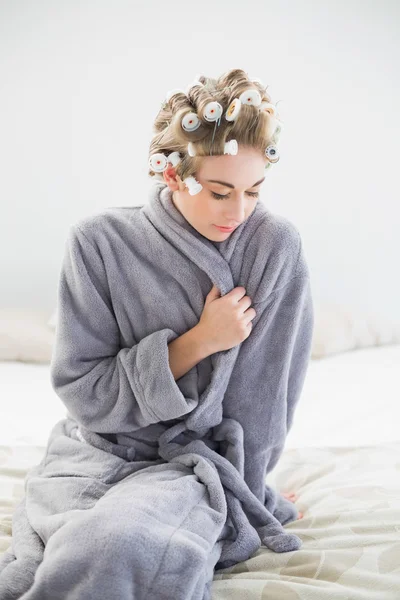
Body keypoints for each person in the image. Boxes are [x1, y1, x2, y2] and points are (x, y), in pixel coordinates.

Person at [0, 68, 312, 599]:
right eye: (219, 192)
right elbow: (84, 391)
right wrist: (200, 341)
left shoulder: (274, 247)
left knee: (118, 547)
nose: (238, 211)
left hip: (194, 468)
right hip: (94, 452)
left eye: (253, 191)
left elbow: (268, 401)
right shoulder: (98, 243)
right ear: (172, 176)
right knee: (32, 570)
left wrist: (250, 489)